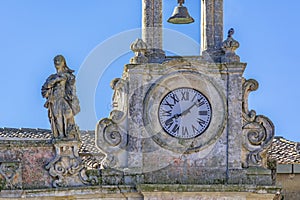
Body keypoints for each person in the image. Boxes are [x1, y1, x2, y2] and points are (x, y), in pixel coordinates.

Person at [41, 55, 80, 140]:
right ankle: (61, 136)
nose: (57, 62)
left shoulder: (69, 76)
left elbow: (72, 87)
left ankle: (70, 134)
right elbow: (44, 90)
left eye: (59, 60)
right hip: (54, 100)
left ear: (63, 62)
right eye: (55, 60)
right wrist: (56, 80)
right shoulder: (52, 77)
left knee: (68, 113)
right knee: (57, 117)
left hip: (64, 98)